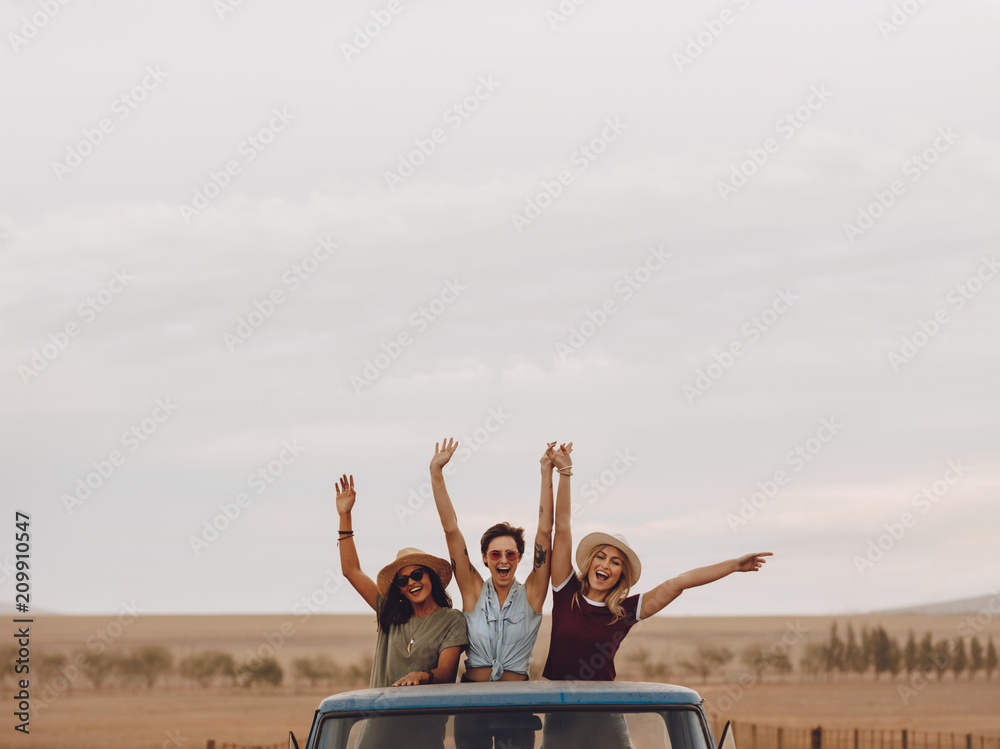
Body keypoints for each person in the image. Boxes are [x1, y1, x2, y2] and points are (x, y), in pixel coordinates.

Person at [540, 451, 772, 747]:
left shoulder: (624, 611)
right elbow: (562, 531)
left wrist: (733, 566)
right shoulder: (565, 591)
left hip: (605, 715)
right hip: (560, 713)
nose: (605, 565)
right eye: (601, 557)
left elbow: (679, 583)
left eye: (615, 562)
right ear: (589, 563)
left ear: (621, 574)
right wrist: (565, 474)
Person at [429, 439, 571, 748]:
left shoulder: (533, 593)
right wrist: (436, 472)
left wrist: (547, 470)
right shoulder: (473, 590)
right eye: (495, 554)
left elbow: (545, 532)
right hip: (471, 704)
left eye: (510, 553)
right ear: (483, 558)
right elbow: (451, 530)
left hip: (517, 705)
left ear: (520, 557)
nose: (503, 560)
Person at [335, 474, 468, 749]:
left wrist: (421, 675)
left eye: (417, 574)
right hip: (377, 735)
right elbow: (351, 571)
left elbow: (446, 671)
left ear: (430, 575)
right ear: (398, 588)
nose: (412, 582)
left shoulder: (451, 620)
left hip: (424, 736)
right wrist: (345, 516)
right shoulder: (389, 614)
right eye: (402, 580)